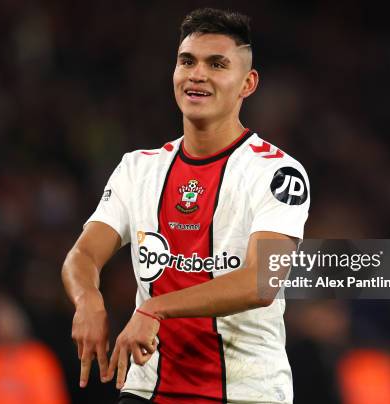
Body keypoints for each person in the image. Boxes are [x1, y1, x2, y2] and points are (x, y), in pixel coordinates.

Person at [62, 8, 310, 404]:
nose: (197, 74)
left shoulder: (278, 173)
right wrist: (87, 299)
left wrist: (155, 309)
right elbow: (83, 255)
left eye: (217, 64)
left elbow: (261, 281)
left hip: (246, 393)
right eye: (187, 61)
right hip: (148, 389)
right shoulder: (137, 169)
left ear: (248, 83)